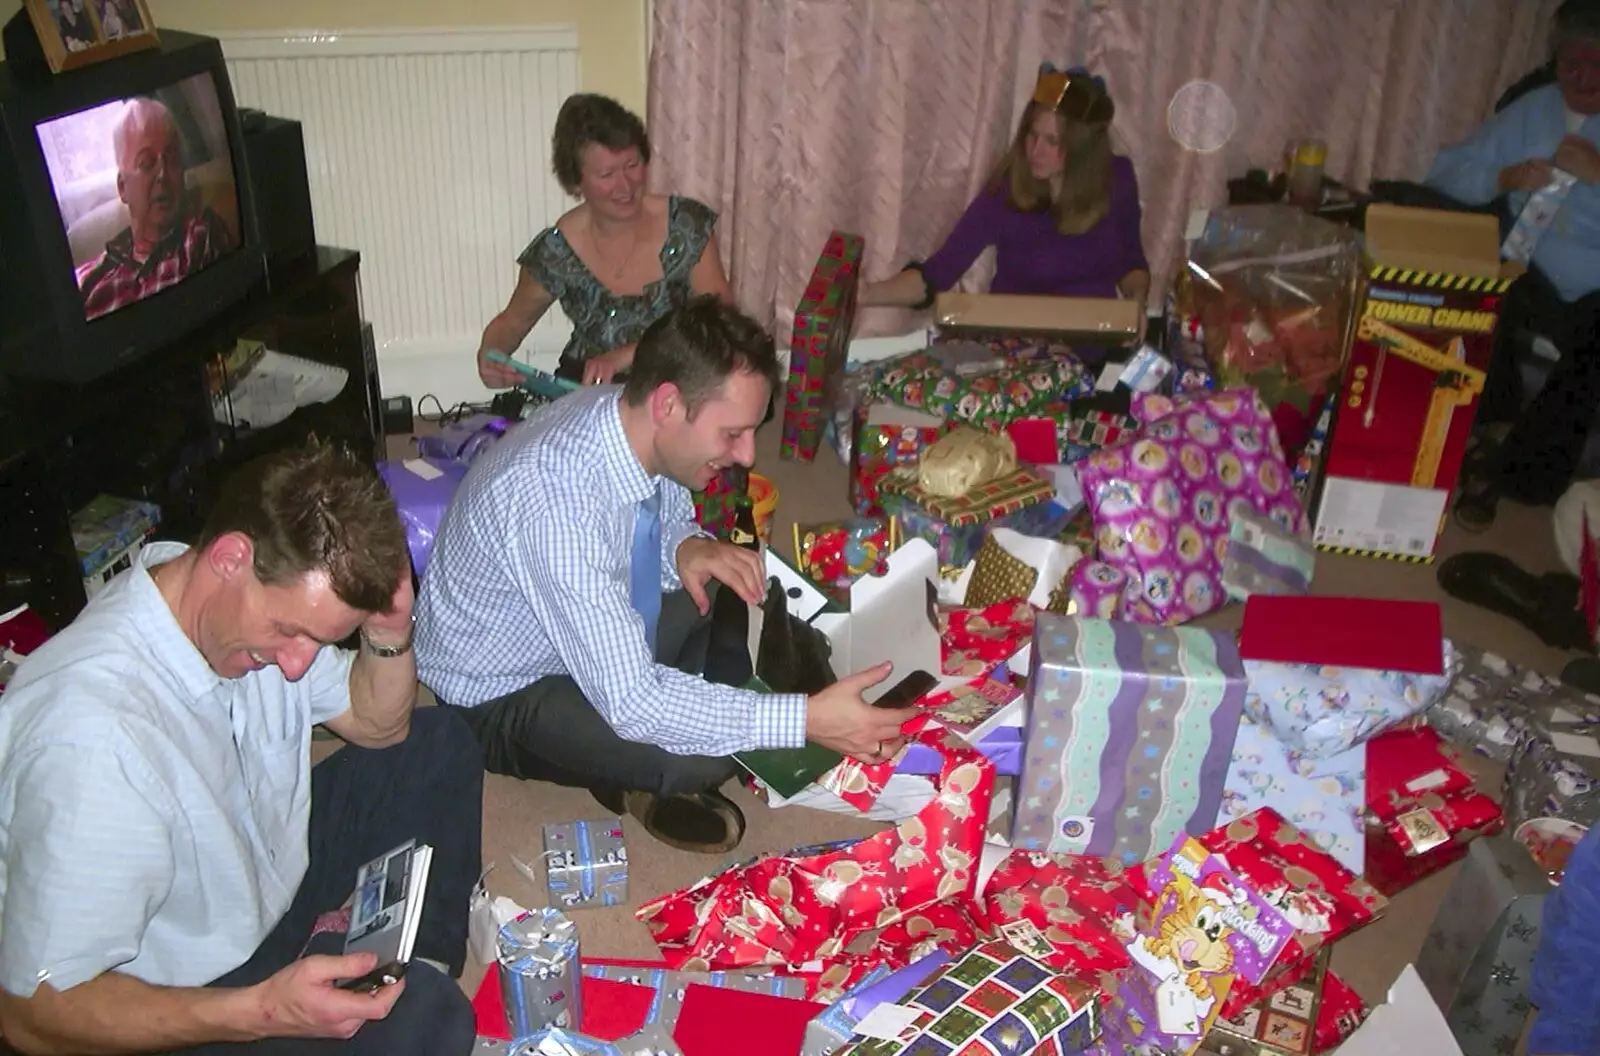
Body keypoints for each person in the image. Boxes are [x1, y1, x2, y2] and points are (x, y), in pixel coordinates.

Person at [0, 440, 482, 1056]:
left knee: (440, 742)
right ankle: (379, 991)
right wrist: (263, 1010)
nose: (297, 665)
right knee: (427, 1022)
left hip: (260, 890)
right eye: (289, 633)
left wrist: (389, 631)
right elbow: (33, 1014)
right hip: (185, 998)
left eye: (320, 640)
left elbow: (376, 722)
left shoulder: (220, 593)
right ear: (229, 557)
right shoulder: (92, 743)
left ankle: (393, 971)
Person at [419, 297, 916, 854]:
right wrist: (804, 722)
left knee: (736, 594)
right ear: (669, 404)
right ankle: (626, 781)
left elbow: (665, 512)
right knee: (701, 756)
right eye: (732, 434)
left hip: (583, 624)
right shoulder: (555, 505)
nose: (748, 455)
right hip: (500, 692)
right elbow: (634, 701)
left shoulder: (623, 415)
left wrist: (686, 545)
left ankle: (648, 754)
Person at [1425, 0, 1600, 529]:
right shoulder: (1534, 109)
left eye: (1598, 63)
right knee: (1481, 291)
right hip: (1529, 266)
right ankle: (1490, 426)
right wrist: (1502, 179)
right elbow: (1445, 170)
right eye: (1572, 62)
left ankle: (1519, 474)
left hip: (1595, 282)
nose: (1584, 76)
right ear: (1555, 60)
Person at [475, 93, 734, 389]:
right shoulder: (558, 250)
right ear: (575, 181)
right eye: (606, 174)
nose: (624, 185)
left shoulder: (687, 225)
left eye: (632, 165)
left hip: (676, 375)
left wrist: (628, 355)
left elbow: (721, 323)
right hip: (592, 381)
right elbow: (511, 323)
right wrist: (490, 356)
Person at [858, 64, 1150, 316]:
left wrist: (1137, 304)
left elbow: (1130, 263)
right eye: (1032, 135)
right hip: (1018, 354)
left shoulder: (1117, 179)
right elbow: (938, 273)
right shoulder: (1008, 187)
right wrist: (867, 293)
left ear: (1082, 149)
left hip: (1092, 350)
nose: (1036, 150)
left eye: (1052, 141)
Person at [75, 96, 236, 322]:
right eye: (146, 163)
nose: (163, 175)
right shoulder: (87, 281)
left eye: (171, 160)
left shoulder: (201, 237)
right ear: (123, 187)